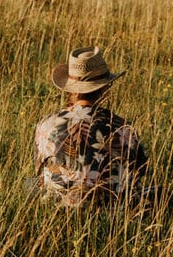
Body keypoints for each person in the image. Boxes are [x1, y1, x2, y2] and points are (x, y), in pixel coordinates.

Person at [33, 47, 149, 207]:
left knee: (29, 186)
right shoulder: (121, 127)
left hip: (56, 206)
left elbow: (39, 172)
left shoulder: (46, 124)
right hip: (113, 209)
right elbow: (140, 170)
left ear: (70, 88)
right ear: (105, 89)